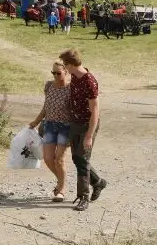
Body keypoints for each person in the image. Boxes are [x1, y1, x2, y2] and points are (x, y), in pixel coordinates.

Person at [60, 49, 106, 211]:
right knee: (77, 158)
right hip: (75, 123)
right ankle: (98, 182)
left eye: (65, 65)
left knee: (82, 160)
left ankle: (83, 197)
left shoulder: (89, 81)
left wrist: (89, 136)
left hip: (88, 124)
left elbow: (95, 111)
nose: (64, 68)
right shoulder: (74, 76)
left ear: (71, 64)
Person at [28, 61, 72, 202]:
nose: (55, 75)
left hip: (65, 127)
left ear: (66, 72)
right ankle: (61, 181)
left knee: (59, 159)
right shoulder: (48, 86)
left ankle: (62, 189)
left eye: (58, 73)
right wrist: (36, 121)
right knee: (47, 159)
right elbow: (46, 107)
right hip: (49, 126)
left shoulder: (71, 89)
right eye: (53, 72)